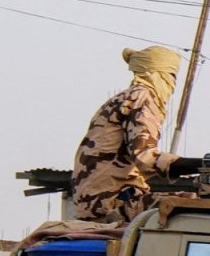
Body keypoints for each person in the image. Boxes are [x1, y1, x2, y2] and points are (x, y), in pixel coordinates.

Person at [71, 45, 196, 223]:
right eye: (170, 77)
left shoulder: (124, 97)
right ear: (156, 73)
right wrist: (206, 165)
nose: (172, 85)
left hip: (95, 201)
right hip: (109, 204)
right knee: (195, 204)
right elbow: (145, 157)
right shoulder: (142, 96)